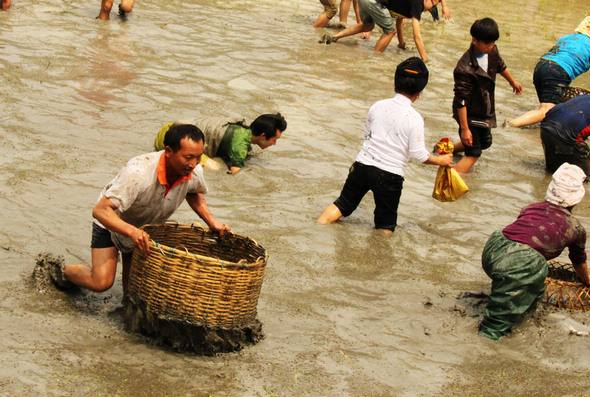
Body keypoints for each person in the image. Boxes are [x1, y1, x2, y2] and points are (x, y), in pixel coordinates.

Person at [48, 124, 231, 297]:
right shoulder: (138, 172)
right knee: (101, 282)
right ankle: (60, 270)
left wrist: (211, 222)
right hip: (112, 222)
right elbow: (100, 211)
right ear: (168, 152)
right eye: (188, 157)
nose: (193, 164)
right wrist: (131, 232)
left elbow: (194, 192)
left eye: (198, 157)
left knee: (133, 293)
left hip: (142, 230)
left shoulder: (193, 171)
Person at [316, 57, 452, 235]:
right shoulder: (414, 118)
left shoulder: (378, 106)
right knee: (385, 225)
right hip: (390, 175)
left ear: (395, 83)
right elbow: (419, 155)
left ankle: (318, 226)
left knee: (342, 204)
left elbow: (367, 135)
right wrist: (440, 160)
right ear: (420, 91)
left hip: (362, 165)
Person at [479, 163, 590, 340]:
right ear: (577, 199)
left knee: (535, 279)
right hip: (521, 260)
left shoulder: (530, 207)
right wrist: (588, 278)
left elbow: (523, 233)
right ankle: (486, 341)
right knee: (495, 324)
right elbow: (578, 261)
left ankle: (516, 305)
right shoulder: (575, 228)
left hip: (494, 247)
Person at [505, 11, 590, 129]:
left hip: (541, 66)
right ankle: (511, 124)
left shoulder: (566, 38)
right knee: (547, 110)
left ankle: (530, 124)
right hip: (556, 72)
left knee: (548, 109)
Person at [448, 18, 523, 174]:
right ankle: (448, 182)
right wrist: (464, 129)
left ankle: (449, 148)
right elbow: (460, 101)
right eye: (488, 43)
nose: (492, 46)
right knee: (473, 153)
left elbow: (500, 66)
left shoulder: (492, 51)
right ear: (475, 41)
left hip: (484, 109)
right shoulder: (464, 68)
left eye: (493, 42)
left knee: (485, 142)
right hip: (469, 113)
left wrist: (512, 81)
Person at [154, 113, 287, 175]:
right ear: (263, 136)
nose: (274, 144)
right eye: (274, 139)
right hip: (170, 139)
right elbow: (235, 172)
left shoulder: (242, 129)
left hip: (172, 129)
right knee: (215, 168)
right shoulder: (240, 144)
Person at [319, 0, 448, 62]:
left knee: (367, 26)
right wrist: (425, 58)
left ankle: (334, 37)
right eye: (433, 5)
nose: (431, 9)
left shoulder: (411, 4)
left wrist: (401, 44)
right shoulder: (417, 4)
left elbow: (399, 21)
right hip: (373, 2)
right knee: (389, 31)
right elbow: (417, 36)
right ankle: (374, 58)